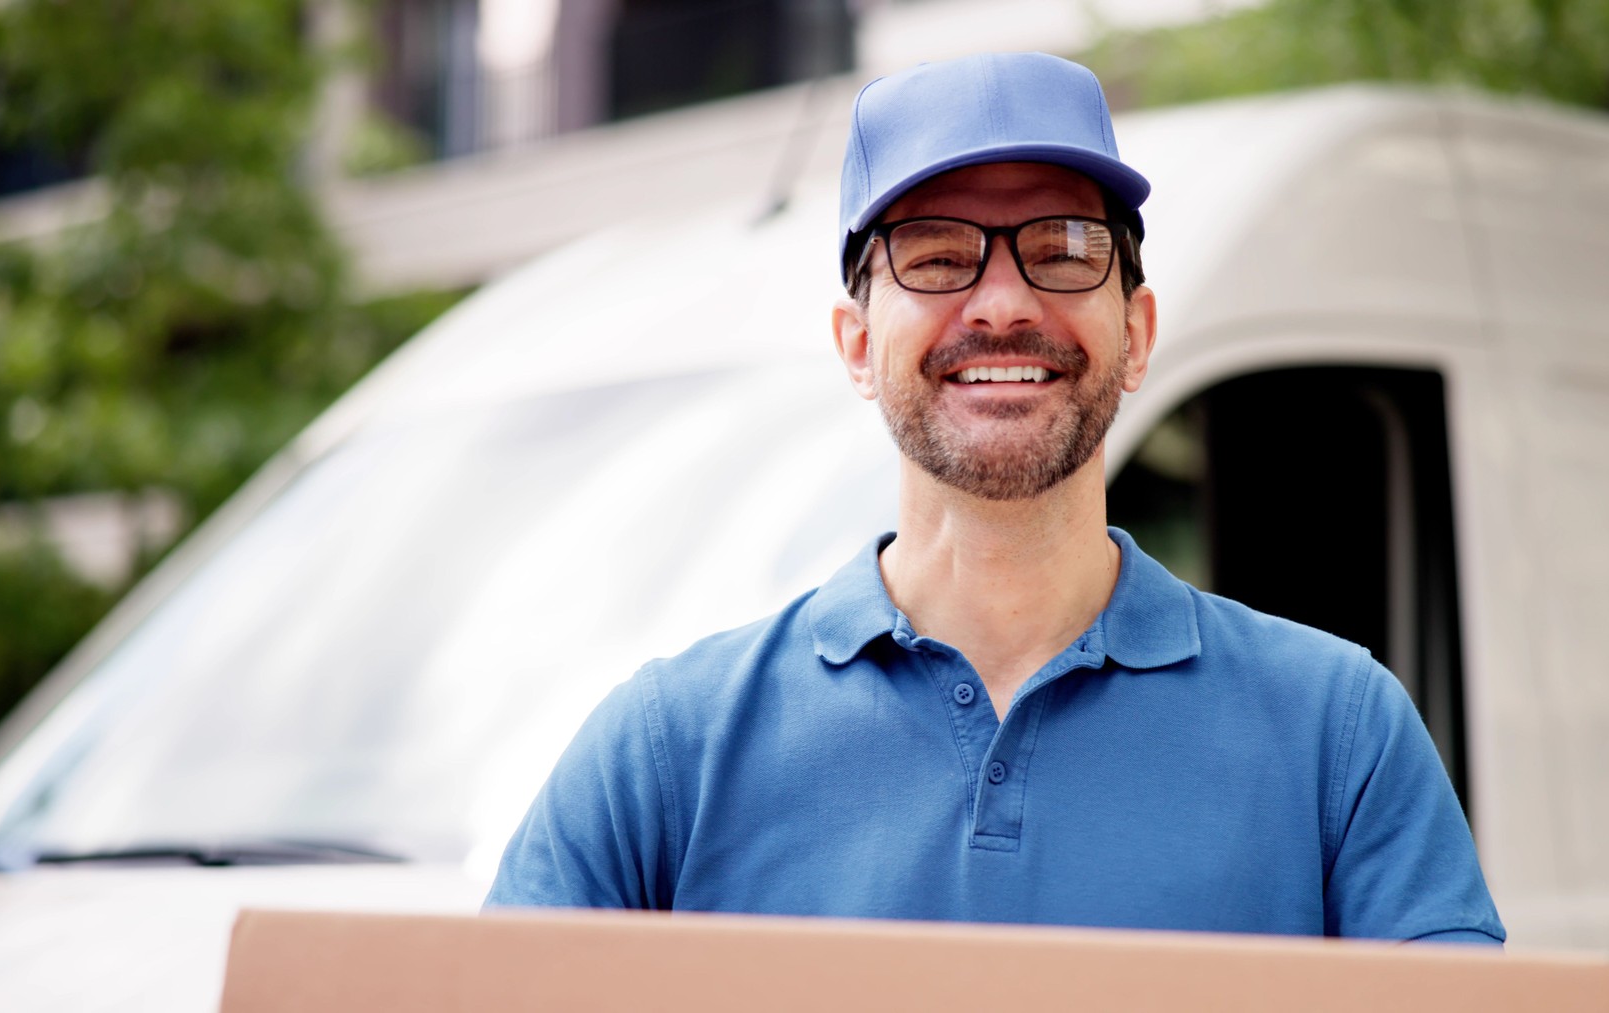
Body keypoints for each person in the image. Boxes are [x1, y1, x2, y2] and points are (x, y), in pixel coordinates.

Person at [486, 51, 1505, 945]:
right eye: (935, 256)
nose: (1006, 301)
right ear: (855, 342)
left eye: (1063, 250)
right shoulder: (667, 748)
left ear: (1140, 332)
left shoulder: (1342, 732)